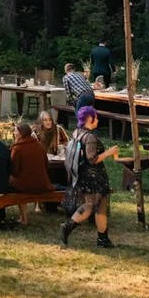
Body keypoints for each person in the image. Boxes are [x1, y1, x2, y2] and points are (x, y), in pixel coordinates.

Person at [61, 106, 117, 248]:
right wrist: (109, 153)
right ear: (90, 119)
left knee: (89, 205)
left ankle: (68, 226)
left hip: (83, 176)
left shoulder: (77, 133)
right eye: (96, 117)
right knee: (101, 206)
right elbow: (92, 158)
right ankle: (102, 238)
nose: (97, 120)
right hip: (94, 177)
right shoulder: (90, 137)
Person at [9, 120, 56, 195]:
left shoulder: (17, 148)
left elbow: (14, 171)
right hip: (42, 184)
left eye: (15, 131)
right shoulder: (39, 145)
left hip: (24, 185)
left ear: (21, 134)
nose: (14, 133)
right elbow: (47, 166)